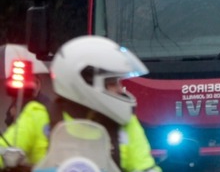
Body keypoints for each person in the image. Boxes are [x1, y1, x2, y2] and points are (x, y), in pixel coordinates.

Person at [0, 36, 159, 172]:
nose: (120, 89)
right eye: (112, 83)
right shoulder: (39, 117)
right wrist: (8, 155)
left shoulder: (126, 124)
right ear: (85, 81)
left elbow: (145, 167)